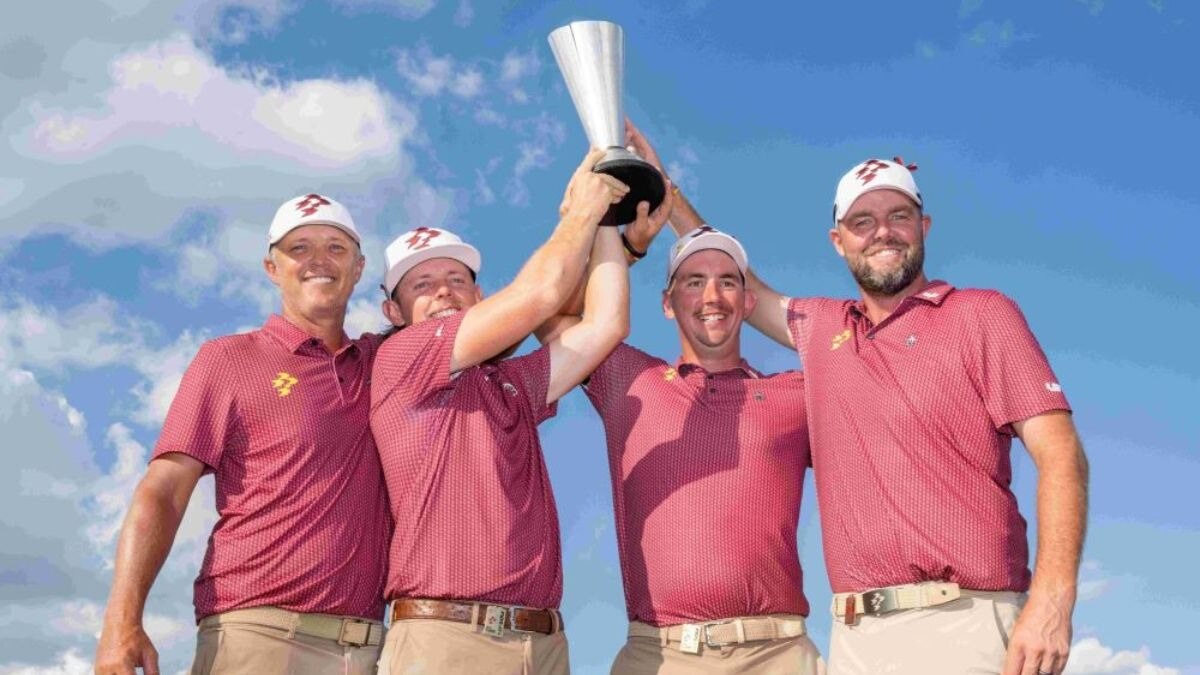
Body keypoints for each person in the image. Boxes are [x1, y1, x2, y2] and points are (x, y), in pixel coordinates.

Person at [634, 124, 1089, 675]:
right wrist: (665, 190)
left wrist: (1053, 603)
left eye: (898, 216)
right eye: (862, 222)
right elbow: (743, 283)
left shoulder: (981, 314)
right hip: (856, 640)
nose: (882, 233)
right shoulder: (825, 330)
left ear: (923, 226)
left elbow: (1061, 453)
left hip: (966, 622)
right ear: (839, 240)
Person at [95, 194, 391, 675]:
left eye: (336, 248)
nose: (318, 260)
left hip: (367, 649)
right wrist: (120, 622)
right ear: (272, 268)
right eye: (299, 248)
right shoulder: (228, 359)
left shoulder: (386, 363)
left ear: (358, 269)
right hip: (257, 637)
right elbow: (163, 491)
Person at [369, 149, 631, 674]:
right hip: (446, 640)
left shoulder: (510, 382)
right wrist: (581, 210)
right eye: (421, 285)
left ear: (478, 295)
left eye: (457, 279)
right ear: (394, 312)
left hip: (541, 642)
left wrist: (606, 219)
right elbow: (541, 294)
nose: (443, 290)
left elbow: (606, 325)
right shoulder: (400, 358)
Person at [581, 217, 824, 674]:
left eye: (727, 282)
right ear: (667, 303)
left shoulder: (796, 395)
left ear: (748, 303)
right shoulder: (628, 379)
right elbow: (560, 312)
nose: (712, 297)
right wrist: (629, 246)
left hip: (777, 656)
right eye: (694, 282)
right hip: (658, 657)